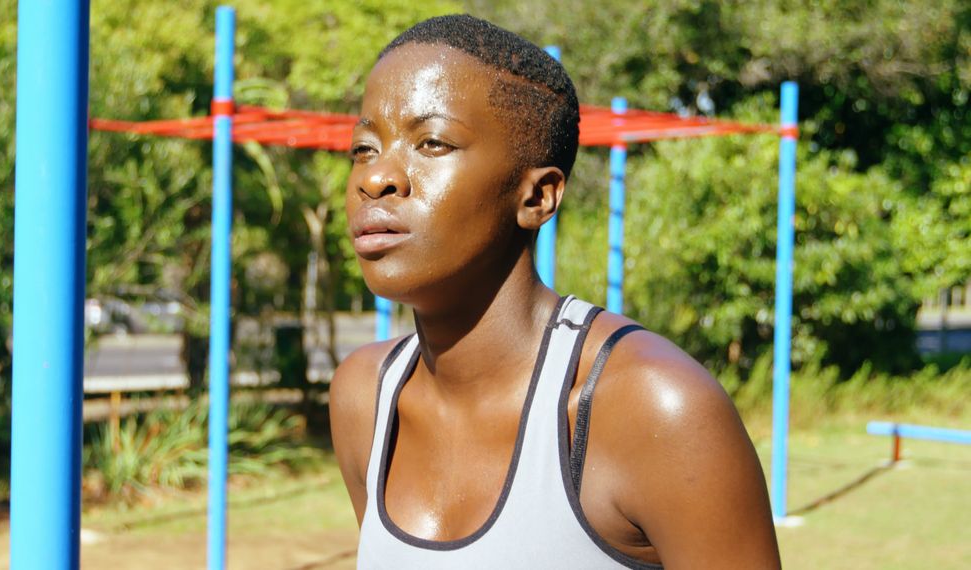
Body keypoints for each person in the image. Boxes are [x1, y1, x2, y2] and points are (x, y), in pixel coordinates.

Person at [329, 14, 780, 569]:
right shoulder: (365, 400)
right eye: (364, 148)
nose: (375, 179)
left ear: (538, 197)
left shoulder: (656, 408)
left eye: (432, 142)